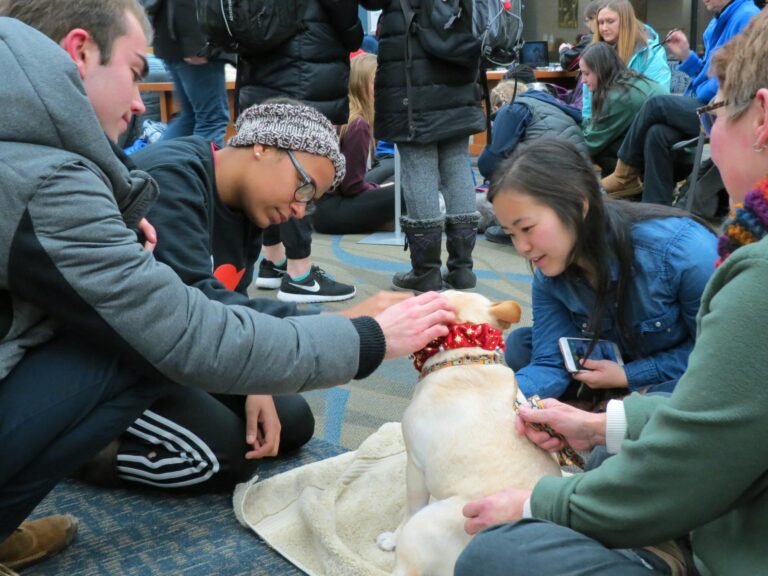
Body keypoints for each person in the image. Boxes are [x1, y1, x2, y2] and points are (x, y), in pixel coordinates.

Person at [0, 1, 456, 570]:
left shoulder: (45, 159)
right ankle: (87, 456)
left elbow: (212, 309)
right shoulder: (147, 178)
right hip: (133, 353)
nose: (299, 208)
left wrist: (260, 372)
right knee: (217, 450)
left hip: (119, 346)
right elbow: (177, 324)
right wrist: (358, 333)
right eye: (139, 70)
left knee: (290, 419)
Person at [455, 12, 768, 575]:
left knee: (500, 553)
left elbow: (707, 408)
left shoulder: (694, 254)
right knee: (526, 354)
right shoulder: (553, 269)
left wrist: (537, 501)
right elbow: (553, 356)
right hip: (677, 432)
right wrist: (499, 408)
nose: (520, 246)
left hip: (706, 488)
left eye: (713, 112)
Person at [493, 138, 716, 406]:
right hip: (611, 367)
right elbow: (548, 363)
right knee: (520, 345)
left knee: (632, 431)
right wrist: (495, 404)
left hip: (678, 373)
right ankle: (606, 403)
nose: (521, 247)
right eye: (511, 234)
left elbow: (720, 356)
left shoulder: (682, 252)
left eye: (527, 228)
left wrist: (628, 376)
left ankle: (615, 407)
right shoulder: (549, 271)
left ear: (579, 206)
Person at [240, 0, 362, 303]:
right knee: (300, 174)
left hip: (259, 69)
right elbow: (345, 20)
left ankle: (273, 261)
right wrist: (354, 31)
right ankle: (300, 275)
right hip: (308, 67)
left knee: (268, 169)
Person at [359, 0, 486, 292]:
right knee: (456, 161)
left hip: (411, 74)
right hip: (458, 70)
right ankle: (462, 269)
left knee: (419, 165)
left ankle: (426, 270)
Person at [601, 0, 759, 202]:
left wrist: (700, 89)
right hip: (705, 104)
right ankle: (656, 210)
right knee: (656, 133)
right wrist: (685, 54)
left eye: (609, 21)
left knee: (655, 104)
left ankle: (624, 175)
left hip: (724, 110)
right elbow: (707, 73)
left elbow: (733, 79)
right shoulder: (718, 21)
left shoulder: (746, 16)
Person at [313, 53, 399, 235]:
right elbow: (352, 187)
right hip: (333, 211)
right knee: (407, 191)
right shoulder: (358, 124)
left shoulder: (343, 114)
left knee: (392, 172)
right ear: (362, 85)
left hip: (322, 205)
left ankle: (383, 219)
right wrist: (380, 189)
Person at [150, 0, 230, 148]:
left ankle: (154, 166)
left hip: (172, 39)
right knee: (211, 120)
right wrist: (195, 44)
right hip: (196, 42)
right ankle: (204, 170)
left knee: (190, 117)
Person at [579, 42, 666, 176]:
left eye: (586, 73)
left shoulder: (617, 97)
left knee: (602, 149)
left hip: (668, 155)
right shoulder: (625, 80)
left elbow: (591, 144)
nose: (583, 80)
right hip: (667, 146)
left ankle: (628, 184)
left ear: (601, 70)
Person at [478, 82, 586, 182]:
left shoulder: (511, 108)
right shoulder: (551, 105)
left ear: (496, 107)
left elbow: (488, 164)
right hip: (582, 180)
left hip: (552, 183)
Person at [582, 0, 670, 122]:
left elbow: (659, 97)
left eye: (610, 21)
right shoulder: (595, 52)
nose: (604, 28)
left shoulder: (651, 52)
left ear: (625, 22)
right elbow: (588, 95)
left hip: (639, 123)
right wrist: (587, 123)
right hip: (602, 122)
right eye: (600, 22)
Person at [558, 0, 603, 72]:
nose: (604, 27)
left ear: (594, 18)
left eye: (610, 21)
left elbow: (567, 63)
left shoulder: (592, 39)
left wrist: (564, 49)